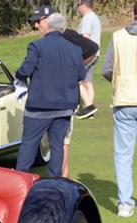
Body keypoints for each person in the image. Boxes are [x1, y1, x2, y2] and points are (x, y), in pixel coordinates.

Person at [15, 9, 85, 177]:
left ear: (49, 26)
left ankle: (20, 180)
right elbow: (81, 75)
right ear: (63, 28)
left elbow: (25, 70)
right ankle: (54, 182)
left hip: (39, 106)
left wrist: (18, 75)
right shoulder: (75, 49)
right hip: (64, 107)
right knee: (57, 145)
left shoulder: (37, 46)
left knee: (29, 144)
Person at [101, 2, 137, 217]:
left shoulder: (117, 36)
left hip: (124, 99)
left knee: (123, 155)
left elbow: (106, 69)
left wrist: (119, 81)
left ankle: (124, 203)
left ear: (133, 14)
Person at [58, 27, 99, 175]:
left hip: (65, 100)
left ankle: (89, 105)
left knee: (63, 141)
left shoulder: (67, 34)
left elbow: (93, 47)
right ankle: (88, 106)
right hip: (65, 97)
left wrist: (78, 64)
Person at [76, 0, 101, 119]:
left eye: (79, 5)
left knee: (77, 80)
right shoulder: (95, 17)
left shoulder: (87, 18)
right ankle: (90, 111)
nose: (78, 8)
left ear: (84, 5)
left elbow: (84, 38)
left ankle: (88, 106)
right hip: (96, 54)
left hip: (87, 55)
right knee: (88, 82)